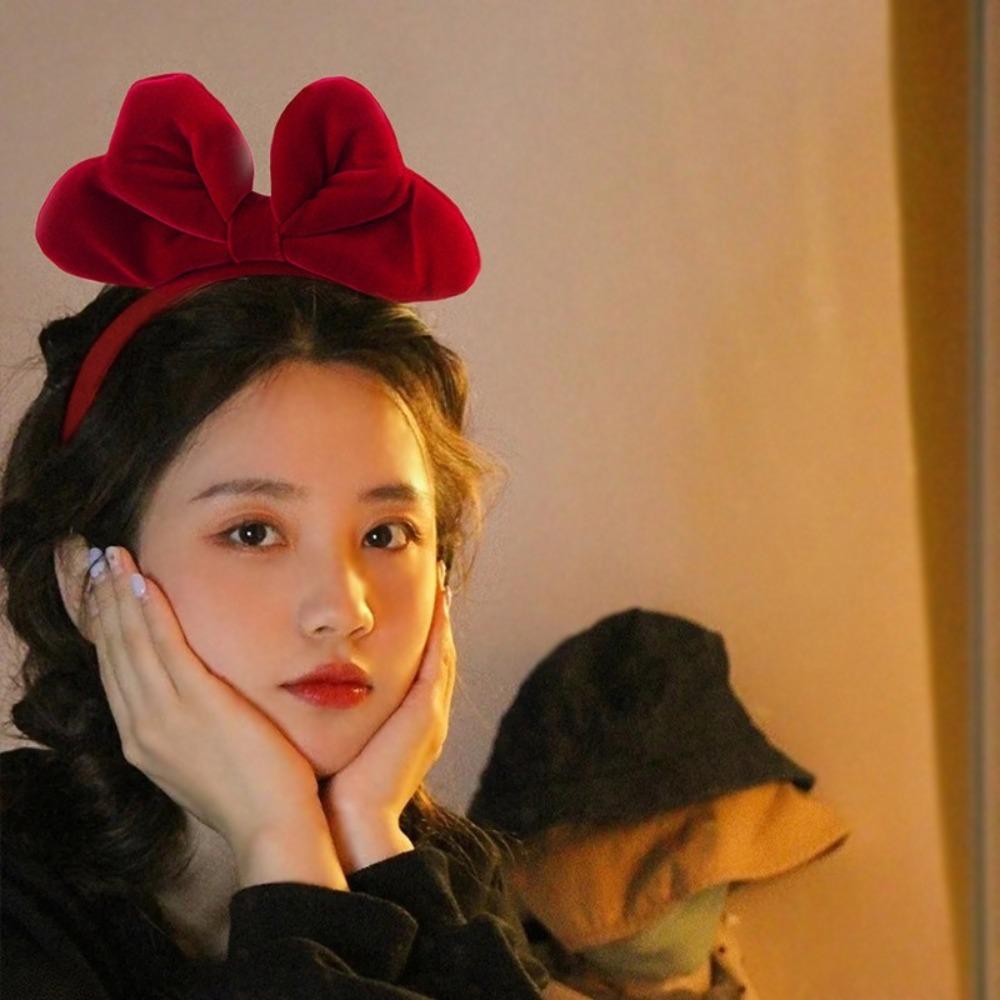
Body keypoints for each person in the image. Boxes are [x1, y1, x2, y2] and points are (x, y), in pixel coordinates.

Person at [0, 71, 552, 999]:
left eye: (388, 534)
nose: (344, 608)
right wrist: (281, 844)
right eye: (253, 531)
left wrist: (365, 840)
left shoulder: (443, 877)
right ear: (89, 583)